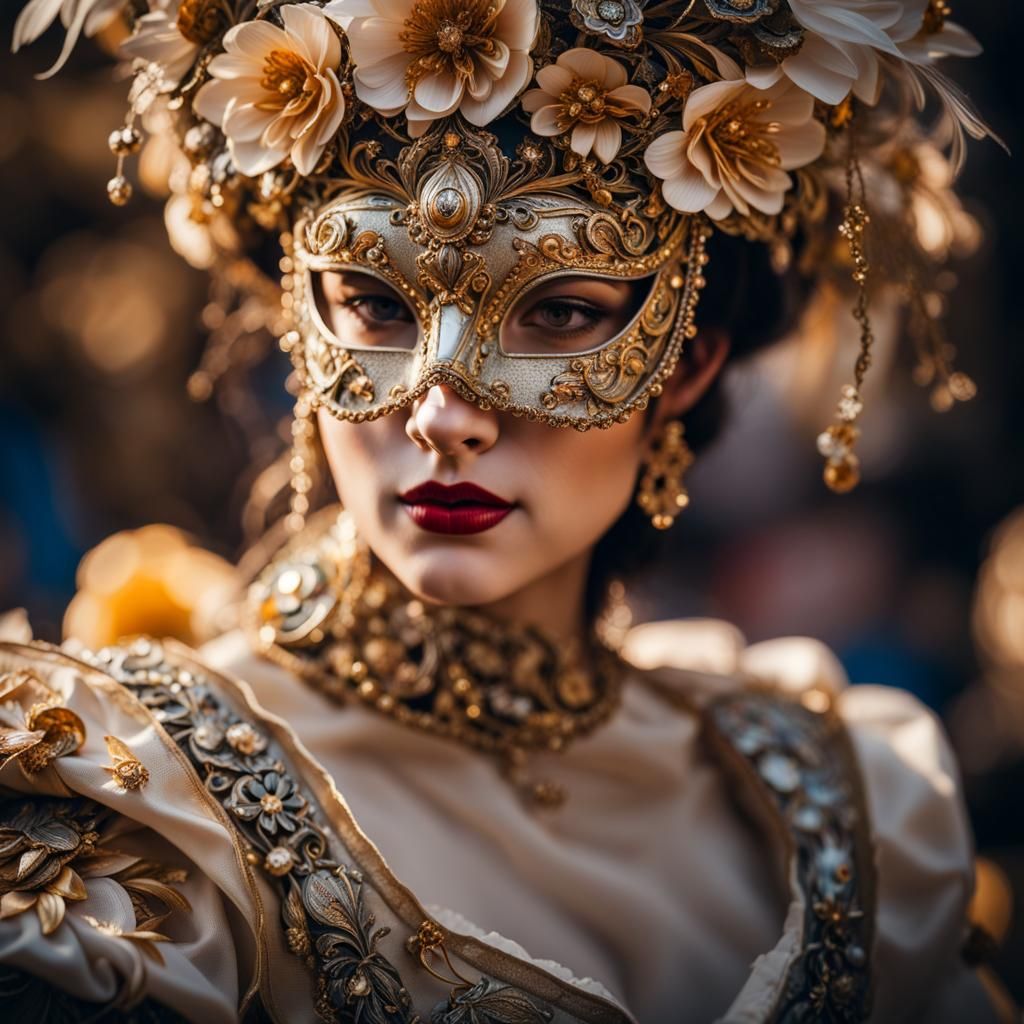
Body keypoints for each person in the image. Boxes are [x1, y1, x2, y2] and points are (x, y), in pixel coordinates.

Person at [1, 1, 1013, 1021]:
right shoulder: (137, 799)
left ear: (686, 364)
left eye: (560, 313)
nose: (445, 418)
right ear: (297, 324)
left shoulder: (846, 800)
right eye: (377, 302)